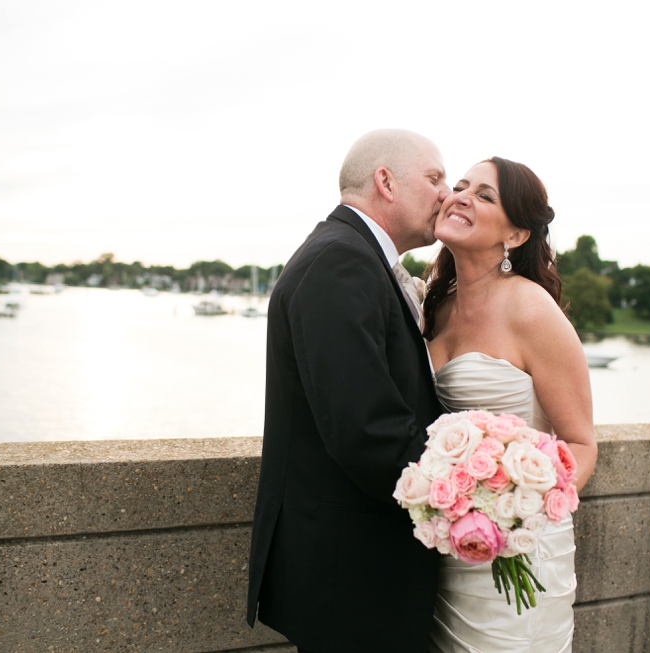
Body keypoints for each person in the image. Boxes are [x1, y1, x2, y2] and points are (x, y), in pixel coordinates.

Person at [247, 129, 451, 653]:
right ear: (385, 181)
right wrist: (469, 492)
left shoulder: (354, 256)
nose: (446, 194)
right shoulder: (341, 261)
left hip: (354, 566)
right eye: (434, 178)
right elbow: (366, 431)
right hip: (351, 574)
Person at [423, 157, 598, 653]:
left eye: (484, 195)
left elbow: (583, 443)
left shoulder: (531, 309)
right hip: (449, 543)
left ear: (517, 235)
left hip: (521, 545)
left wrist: (513, 513)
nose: (461, 196)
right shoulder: (438, 305)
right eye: (459, 186)